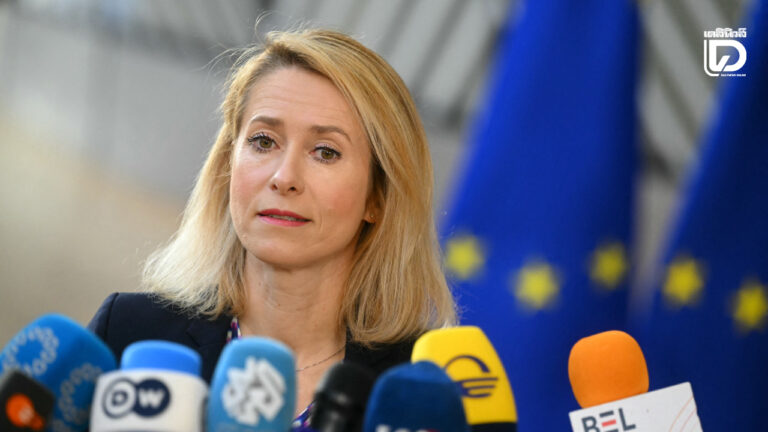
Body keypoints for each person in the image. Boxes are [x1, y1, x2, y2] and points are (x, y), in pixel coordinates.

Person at [87, 28, 457, 420]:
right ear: (228, 164)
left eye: (325, 152)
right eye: (264, 141)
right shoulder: (128, 332)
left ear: (377, 198)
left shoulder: (424, 392)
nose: (284, 177)